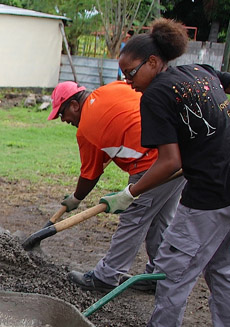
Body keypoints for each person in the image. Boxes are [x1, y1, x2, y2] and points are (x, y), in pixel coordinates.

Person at [104, 18, 230, 327]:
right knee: (223, 268)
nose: (128, 82)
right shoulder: (201, 71)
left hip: (211, 195)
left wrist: (128, 193)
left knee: (171, 273)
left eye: (130, 73)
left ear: (153, 62)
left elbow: (170, 163)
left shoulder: (155, 96)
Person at [48, 80, 184, 292]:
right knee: (160, 218)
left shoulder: (86, 128)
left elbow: (90, 174)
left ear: (75, 105)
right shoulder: (112, 88)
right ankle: (157, 275)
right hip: (178, 153)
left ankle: (106, 277)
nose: (64, 120)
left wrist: (76, 199)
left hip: (153, 164)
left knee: (134, 218)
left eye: (63, 114)